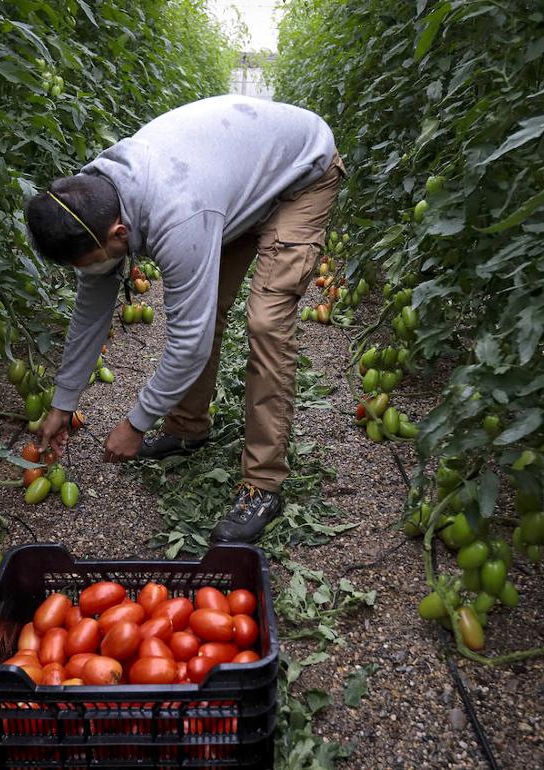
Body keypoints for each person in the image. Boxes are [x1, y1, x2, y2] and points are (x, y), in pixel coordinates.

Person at [24, 94, 343, 544]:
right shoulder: (93, 199)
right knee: (203, 308)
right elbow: (91, 310)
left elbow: (188, 344)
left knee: (266, 322)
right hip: (232, 182)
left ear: (120, 233)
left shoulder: (178, 216)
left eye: (86, 264)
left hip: (301, 173)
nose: (85, 275)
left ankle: (264, 485)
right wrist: (63, 401)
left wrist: (135, 423)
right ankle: (187, 429)